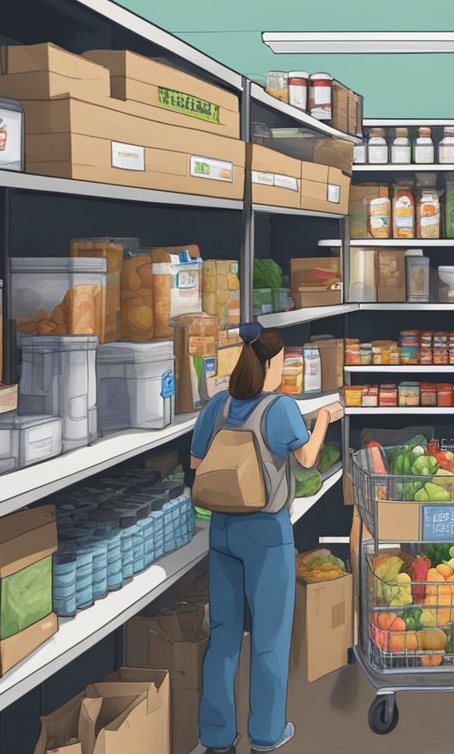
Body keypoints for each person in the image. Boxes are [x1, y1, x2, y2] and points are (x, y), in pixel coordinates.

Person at [190, 323, 343, 753]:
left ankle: (217, 738)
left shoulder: (218, 405)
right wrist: (325, 419)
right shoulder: (280, 407)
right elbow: (309, 460)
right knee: (269, 640)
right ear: (271, 364)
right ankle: (266, 734)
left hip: (222, 529)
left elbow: (197, 460)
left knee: (223, 636)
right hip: (265, 532)